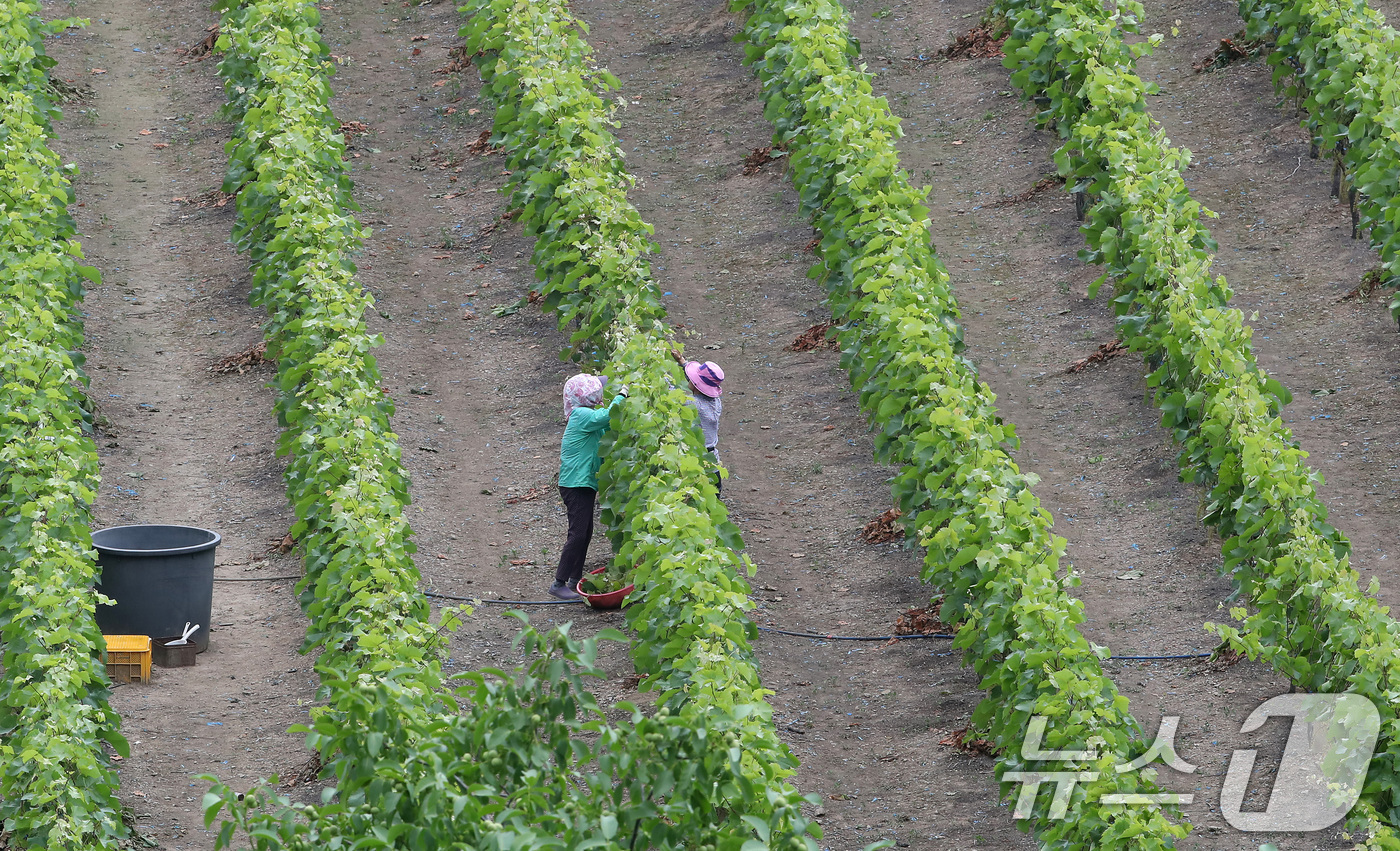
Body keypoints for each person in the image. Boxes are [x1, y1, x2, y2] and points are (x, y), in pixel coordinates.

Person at [549, 373, 627, 600]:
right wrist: (622, 395)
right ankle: (558, 583)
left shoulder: (587, 415)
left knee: (585, 532)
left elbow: (609, 428)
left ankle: (574, 579)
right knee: (577, 534)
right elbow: (608, 415)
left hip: (583, 482)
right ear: (588, 396)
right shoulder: (581, 415)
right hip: (575, 484)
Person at [673, 352, 724, 493]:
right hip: (713, 462)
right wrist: (681, 361)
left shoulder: (695, 404)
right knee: (713, 496)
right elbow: (695, 385)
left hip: (698, 461)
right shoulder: (715, 402)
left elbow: (672, 394)